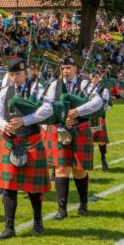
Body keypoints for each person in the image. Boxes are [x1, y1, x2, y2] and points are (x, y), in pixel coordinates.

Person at [0, 57, 52, 238]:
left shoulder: (38, 88)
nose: (14, 78)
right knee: (8, 186)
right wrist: (4, 125)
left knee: (33, 188)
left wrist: (24, 121)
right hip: (10, 141)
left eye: (18, 74)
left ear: (25, 73)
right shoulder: (6, 91)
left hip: (31, 139)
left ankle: (38, 221)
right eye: (12, 74)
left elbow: (47, 110)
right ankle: (9, 228)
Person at [44, 56, 103, 219]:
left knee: (79, 170)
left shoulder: (84, 84)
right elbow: (47, 103)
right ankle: (62, 209)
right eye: (63, 68)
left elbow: (98, 102)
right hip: (60, 128)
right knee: (61, 167)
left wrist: (78, 111)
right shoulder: (55, 85)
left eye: (69, 68)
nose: (65, 71)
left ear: (75, 69)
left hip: (80, 128)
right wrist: (60, 115)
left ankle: (83, 202)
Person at [89, 71, 112, 170]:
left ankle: (103, 158)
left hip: (98, 116)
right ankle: (89, 162)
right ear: (90, 78)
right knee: (88, 141)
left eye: (97, 77)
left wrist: (105, 104)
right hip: (86, 117)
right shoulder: (85, 88)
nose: (95, 79)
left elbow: (107, 104)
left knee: (101, 141)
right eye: (93, 77)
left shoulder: (104, 90)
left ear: (99, 78)